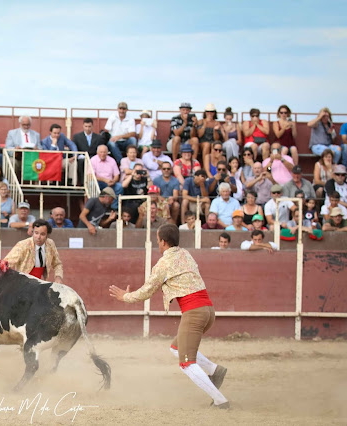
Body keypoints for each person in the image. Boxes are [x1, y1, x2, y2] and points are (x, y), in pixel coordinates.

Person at [109, 224, 230, 409]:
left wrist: (125, 297)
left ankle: (220, 400)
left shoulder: (163, 264)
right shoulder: (186, 254)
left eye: (158, 240)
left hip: (194, 313)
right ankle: (214, 370)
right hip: (208, 311)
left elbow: (146, 291)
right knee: (176, 348)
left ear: (163, 242)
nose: (157, 243)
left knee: (187, 363)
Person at [73, 118, 105, 183]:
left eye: (89, 126)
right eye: (86, 126)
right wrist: (78, 155)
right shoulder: (76, 137)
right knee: (81, 162)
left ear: (92, 126)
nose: (87, 128)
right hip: (82, 157)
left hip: (94, 157)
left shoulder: (99, 137)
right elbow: (74, 148)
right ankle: (83, 183)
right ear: (83, 126)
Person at [91, 145, 122, 209]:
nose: (103, 154)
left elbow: (116, 175)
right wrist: (104, 180)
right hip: (98, 182)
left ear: (107, 153)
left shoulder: (112, 160)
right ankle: (96, 207)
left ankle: (114, 207)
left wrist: (113, 181)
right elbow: (91, 175)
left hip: (110, 182)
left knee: (119, 187)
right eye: (101, 152)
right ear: (97, 153)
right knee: (92, 184)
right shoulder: (93, 160)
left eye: (104, 152)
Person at [197, 104, 224, 169]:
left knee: (214, 146)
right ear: (205, 112)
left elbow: (216, 138)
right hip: (202, 142)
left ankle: (214, 165)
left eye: (211, 112)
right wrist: (204, 125)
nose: (209, 113)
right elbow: (199, 135)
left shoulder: (217, 123)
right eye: (208, 111)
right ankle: (205, 167)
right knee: (207, 145)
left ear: (214, 113)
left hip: (212, 142)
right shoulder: (200, 121)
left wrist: (215, 130)